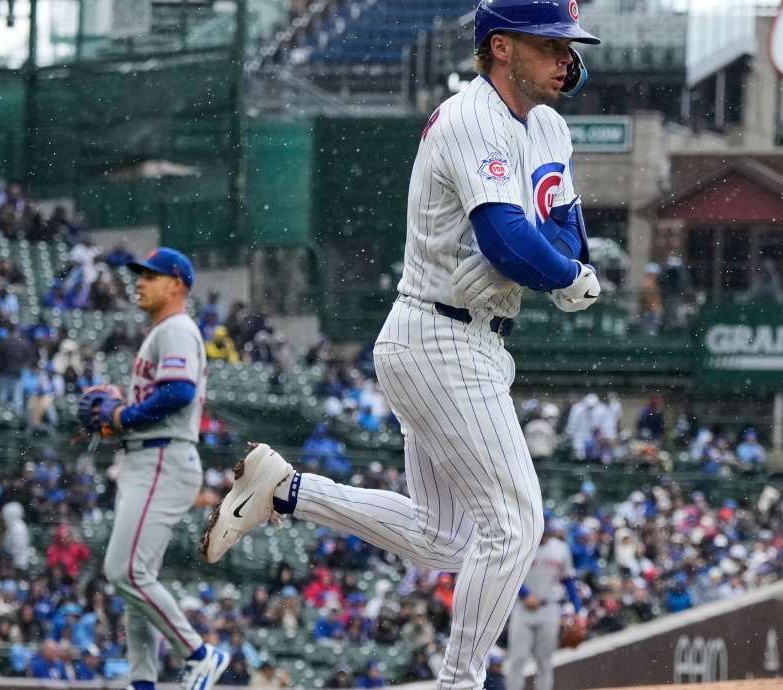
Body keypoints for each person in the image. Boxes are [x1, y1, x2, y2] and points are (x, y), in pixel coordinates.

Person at [202, 4, 602, 690]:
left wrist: (560, 264)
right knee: (514, 523)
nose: (566, 58)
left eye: (570, 44)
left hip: (467, 341)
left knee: (443, 538)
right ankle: (460, 682)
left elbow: (568, 235)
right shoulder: (473, 116)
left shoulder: (549, 125)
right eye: (550, 44)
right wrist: (562, 275)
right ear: (501, 47)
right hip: (437, 333)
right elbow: (512, 240)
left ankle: (287, 490)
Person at [76, 247, 228, 690]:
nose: (139, 282)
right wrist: (123, 422)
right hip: (148, 455)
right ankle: (142, 681)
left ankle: (200, 655)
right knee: (134, 582)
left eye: (150, 275)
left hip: (163, 455)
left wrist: (123, 416)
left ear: (176, 284)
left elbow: (178, 393)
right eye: (139, 275)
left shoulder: (177, 328)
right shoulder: (162, 331)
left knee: (125, 573)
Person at [505, 519, 582, 690]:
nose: (545, 533)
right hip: (522, 609)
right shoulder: (521, 545)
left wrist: (578, 610)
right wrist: (525, 595)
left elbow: (568, 581)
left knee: (544, 661)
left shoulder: (561, 548)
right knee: (517, 659)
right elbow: (510, 574)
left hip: (550, 608)